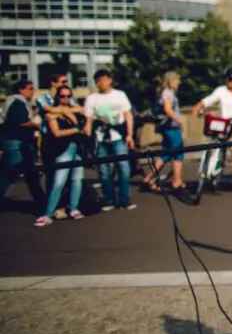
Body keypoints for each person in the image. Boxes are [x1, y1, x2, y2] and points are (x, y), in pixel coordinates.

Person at [84, 69, 136, 211]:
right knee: (103, 170)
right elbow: (88, 119)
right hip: (101, 137)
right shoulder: (92, 99)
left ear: (110, 80)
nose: (102, 83)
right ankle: (108, 199)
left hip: (118, 135)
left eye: (104, 80)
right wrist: (87, 133)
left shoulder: (119, 95)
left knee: (123, 168)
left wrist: (130, 135)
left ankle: (125, 199)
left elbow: (128, 115)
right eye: (98, 81)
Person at [37, 85, 86, 226]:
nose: (66, 99)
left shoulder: (71, 109)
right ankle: (48, 213)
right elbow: (57, 133)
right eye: (63, 96)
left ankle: (74, 208)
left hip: (77, 147)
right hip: (63, 147)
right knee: (59, 181)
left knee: (77, 179)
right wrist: (75, 129)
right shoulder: (52, 112)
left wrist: (65, 112)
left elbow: (83, 111)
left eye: (69, 96)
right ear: (57, 97)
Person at [0, 79, 46, 207]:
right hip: (16, 142)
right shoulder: (18, 103)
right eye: (30, 88)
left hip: (21, 141)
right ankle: (41, 200)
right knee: (10, 172)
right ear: (21, 90)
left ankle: (41, 200)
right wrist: (35, 124)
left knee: (31, 172)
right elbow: (19, 122)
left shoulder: (17, 102)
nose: (33, 91)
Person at [143, 72, 186, 192]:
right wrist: (179, 121)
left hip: (166, 127)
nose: (179, 83)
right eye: (177, 80)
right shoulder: (168, 93)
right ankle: (177, 181)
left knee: (166, 154)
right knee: (178, 152)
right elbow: (168, 109)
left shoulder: (164, 92)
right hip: (171, 127)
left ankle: (149, 177)